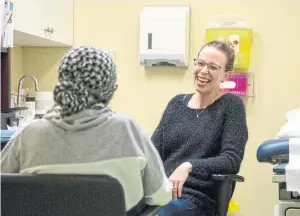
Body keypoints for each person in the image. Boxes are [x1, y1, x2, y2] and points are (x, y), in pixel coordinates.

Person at [1, 46, 172, 214]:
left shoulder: (29, 134)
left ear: (61, 84)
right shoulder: (128, 130)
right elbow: (161, 196)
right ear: (111, 90)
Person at [151, 39, 249, 216]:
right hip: (160, 192)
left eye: (213, 67)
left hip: (196, 198)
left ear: (226, 74)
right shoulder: (176, 104)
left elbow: (231, 160)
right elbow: (152, 153)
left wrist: (189, 166)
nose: (204, 71)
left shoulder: (231, 106)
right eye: (201, 63)